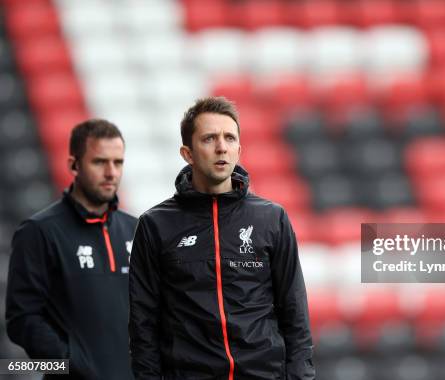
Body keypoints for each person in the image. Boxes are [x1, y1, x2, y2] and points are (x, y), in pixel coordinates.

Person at [129, 96, 315, 380]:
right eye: (209, 138)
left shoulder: (271, 218)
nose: (221, 147)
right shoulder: (155, 225)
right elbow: (143, 323)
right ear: (187, 153)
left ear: (239, 150)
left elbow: (294, 310)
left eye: (229, 138)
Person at [5, 119, 137, 379]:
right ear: (73, 165)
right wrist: (71, 365)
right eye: (99, 162)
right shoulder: (39, 232)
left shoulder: (137, 230)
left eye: (118, 162)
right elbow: (21, 319)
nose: (111, 172)